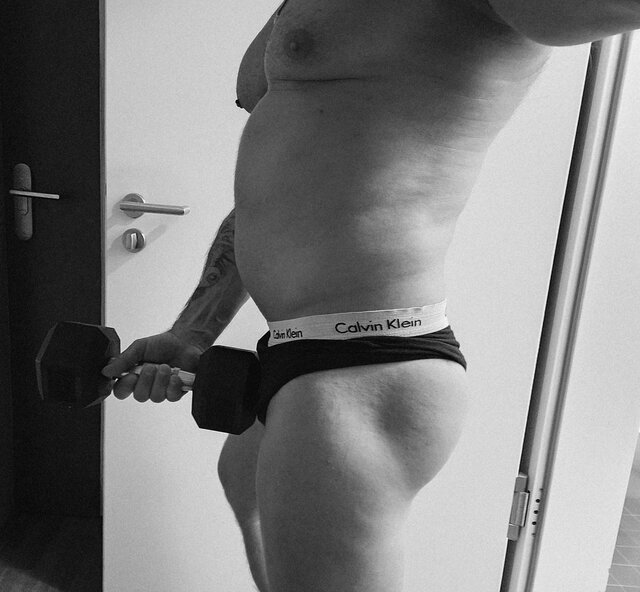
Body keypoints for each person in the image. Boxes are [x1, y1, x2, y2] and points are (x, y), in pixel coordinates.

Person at [102, 1, 640, 590]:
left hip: (363, 365)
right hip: (299, 350)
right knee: (243, 482)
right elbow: (280, 178)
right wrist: (193, 330)